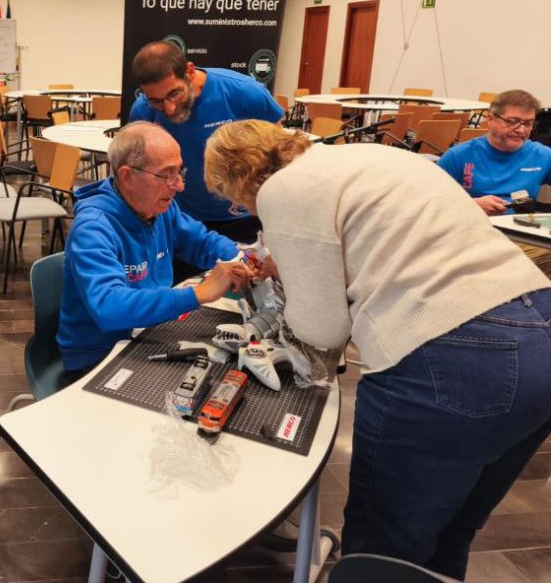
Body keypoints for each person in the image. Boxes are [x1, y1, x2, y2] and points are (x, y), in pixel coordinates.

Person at [203, 120, 551, 581]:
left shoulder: (282, 189)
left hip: (450, 353)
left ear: (241, 177)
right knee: (450, 534)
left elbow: (321, 330)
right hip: (538, 327)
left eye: (233, 197)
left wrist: (290, 285)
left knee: (384, 549)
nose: (238, 206)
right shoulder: (367, 155)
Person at [57, 121, 251, 379]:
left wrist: (246, 257)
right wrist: (198, 294)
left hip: (147, 333)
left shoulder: (160, 207)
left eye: (179, 172)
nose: (179, 185)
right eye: (167, 174)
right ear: (127, 176)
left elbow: (203, 242)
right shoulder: (93, 229)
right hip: (98, 355)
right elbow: (108, 307)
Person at [128, 41, 284, 259]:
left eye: (174, 94)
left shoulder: (244, 93)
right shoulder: (143, 111)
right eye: (156, 101)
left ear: (190, 72)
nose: (169, 108)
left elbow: (280, 155)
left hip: (243, 219)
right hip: (183, 223)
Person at [437, 89, 551, 214]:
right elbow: (429, 203)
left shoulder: (542, 155)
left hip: (522, 228)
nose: (521, 130)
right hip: (472, 226)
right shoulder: (458, 156)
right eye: (512, 122)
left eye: (529, 123)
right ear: (490, 120)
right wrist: (471, 205)